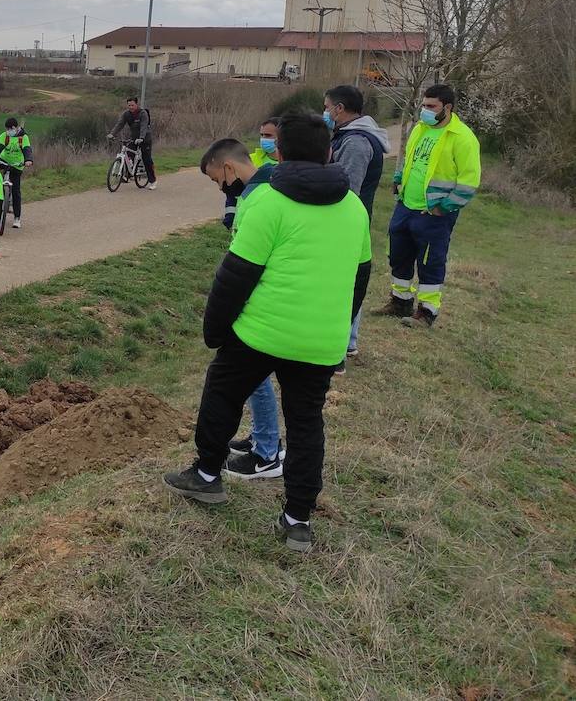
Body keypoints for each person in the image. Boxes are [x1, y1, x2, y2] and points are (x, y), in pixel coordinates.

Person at [163, 112, 372, 553]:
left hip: (262, 333)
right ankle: (297, 520)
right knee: (305, 423)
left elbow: (235, 276)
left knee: (222, 391)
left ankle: (205, 476)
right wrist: (336, 330)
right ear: (329, 151)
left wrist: (215, 332)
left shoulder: (268, 203)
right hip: (320, 341)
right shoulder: (354, 207)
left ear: (281, 150)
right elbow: (361, 277)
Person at [200, 138, 283, 481]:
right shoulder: (255, 193)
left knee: (252, 378)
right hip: (260, 301)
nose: (220, 187)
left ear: (229, 168)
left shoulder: (262, 197)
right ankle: (263, 441)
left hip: (260, 304)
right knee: (254, 380)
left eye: (216, 179)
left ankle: (267, 452)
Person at [377, 83, 481, 329]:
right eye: (423, 105)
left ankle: (426, 312)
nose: (425, 110)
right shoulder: (420, 128)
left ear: (447, 108)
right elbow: (409, 157)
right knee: (399, 254)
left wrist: (444, 207)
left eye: (430, 106)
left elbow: (469, 181)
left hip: (434, 212)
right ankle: (400, 301)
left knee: (430, 261)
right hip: (406, 205)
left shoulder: (463, 137)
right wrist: (398, 178)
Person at [323, 85, 390, 358]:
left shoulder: (356, 142)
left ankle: (345, 340)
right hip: (350, 219)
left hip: (348, 222)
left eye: (327, 107)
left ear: (339, 109)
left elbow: (347, 188)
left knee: (347, 281)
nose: (325, 112)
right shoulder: (347, 136)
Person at [0, 117, 34, 229]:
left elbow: (27, 150)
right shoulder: (4, 136)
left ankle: (17, 218)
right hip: (3, 161)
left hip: (17, 165)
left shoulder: (23, 137)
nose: (9, 131)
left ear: (16, 127)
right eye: (7, 129)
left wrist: (28, 160)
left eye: (11, 128)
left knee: (16, 191)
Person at [107, 97, 157, 191]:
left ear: (136, 104)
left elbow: (144, 126)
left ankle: (152, 181)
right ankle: (126, 175)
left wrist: (141, 138)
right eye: (129, 105)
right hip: (134, 138)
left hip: (145, 138)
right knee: (128, 155)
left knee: (147, 160)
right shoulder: (126, 114)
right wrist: (112, 134)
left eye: (132, 105)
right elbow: (120, 124)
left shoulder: (143, 113)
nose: (130, 107)